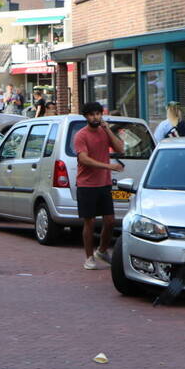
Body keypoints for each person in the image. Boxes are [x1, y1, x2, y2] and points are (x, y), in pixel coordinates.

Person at [73, 102, 125, 271]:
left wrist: (108, 130)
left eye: (98, 114)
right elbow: (84, 159)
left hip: (104, 183)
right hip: (86, 184)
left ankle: (102, 251)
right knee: (90, 222)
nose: (95, 117)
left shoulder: (104, 132)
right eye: (92, 114)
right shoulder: (81, 135)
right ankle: (89, 258)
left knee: (110, 221)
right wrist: (109, 166)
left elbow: (120, 149)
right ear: (86, 117)